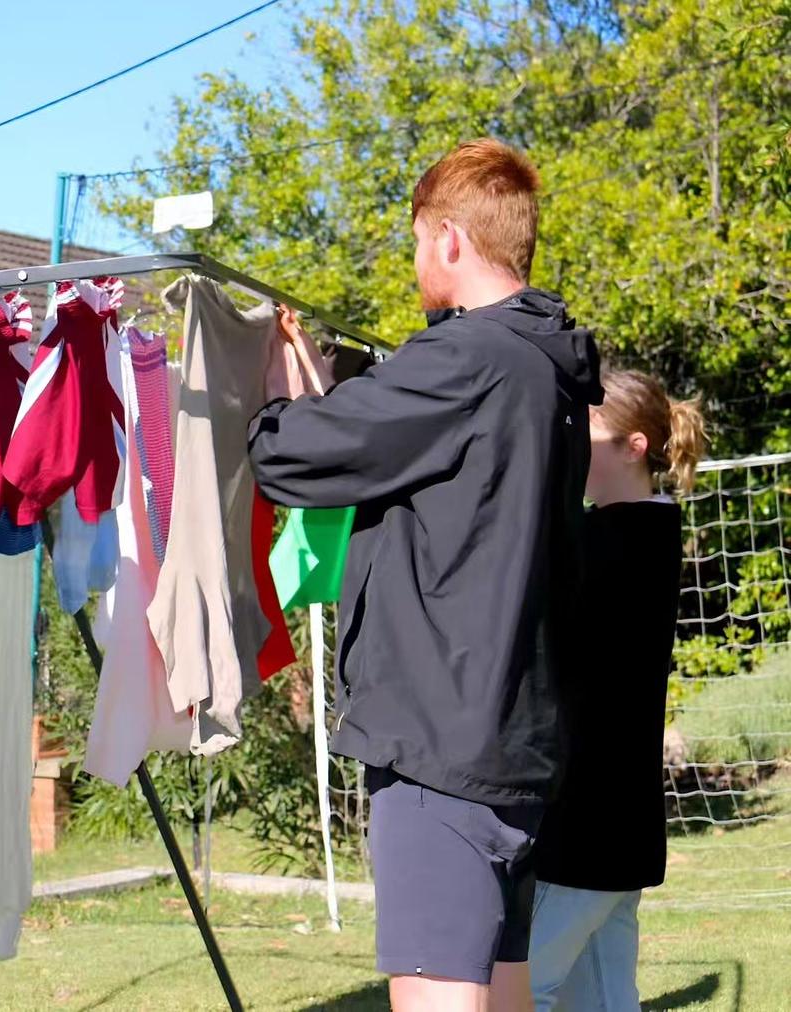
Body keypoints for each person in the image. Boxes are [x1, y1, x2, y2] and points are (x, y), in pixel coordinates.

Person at [248, 137, 604, 1011]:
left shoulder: (466, 362)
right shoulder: (544, 369)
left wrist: (274, 402)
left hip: (440, 749)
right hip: (509, 741)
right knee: (503, 989)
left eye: (416, 241)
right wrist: (341, 391)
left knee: (440, 998)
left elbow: (292, 459)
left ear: (449, 239)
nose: (415, 263)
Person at [528, 371, 706, 1010]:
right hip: (613, 828)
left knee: (517, 993)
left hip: (585, 828)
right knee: (602, 1000)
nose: (570, 444)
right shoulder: (635, 533)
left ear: (634, 447)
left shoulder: (618, 541)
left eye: (586, 432)